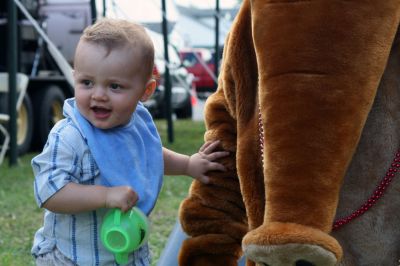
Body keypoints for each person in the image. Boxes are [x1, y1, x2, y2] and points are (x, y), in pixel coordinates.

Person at [31, 18, 228, 266]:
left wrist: (188, 165)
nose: (98, 95)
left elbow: (150, 154)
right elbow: (51, 193)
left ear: (146, 91)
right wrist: (105, 195)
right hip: (72, 257)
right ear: (74, 78)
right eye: (87, 82)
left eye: (114, 86)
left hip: (127, 252)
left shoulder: (136, 123)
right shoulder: (70, 136)